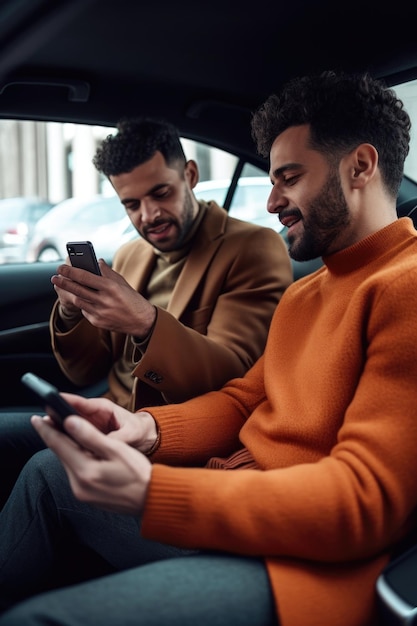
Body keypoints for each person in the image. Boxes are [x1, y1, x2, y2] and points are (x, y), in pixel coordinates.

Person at [1, 69, 416, 626]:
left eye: (288, 178)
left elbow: (364, 502)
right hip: (232, 496)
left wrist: (153, 493)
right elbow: (245, 400)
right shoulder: (308, 294)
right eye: (272, 180)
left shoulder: (404, 287)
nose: (271, 202)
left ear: (361, 166)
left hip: (302, 560)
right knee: (46, 474)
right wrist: (145, 431)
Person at [0, 117, 292, 507]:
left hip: (170, 436)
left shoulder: (253, 247)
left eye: (161, 193)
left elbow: (234, 378)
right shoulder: (131, 253)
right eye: (132, 204)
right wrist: (72, 312)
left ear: (190, 174)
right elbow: (85, 372)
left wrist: (146, 323)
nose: (148, 215)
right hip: (107, 416)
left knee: (44, 470)